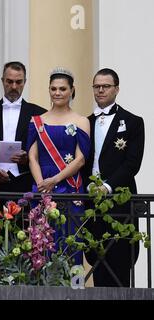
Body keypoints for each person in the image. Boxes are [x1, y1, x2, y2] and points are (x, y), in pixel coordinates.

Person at [83, 68, 144, 287]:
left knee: (119, 261)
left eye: (106, 86)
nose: (100, 90)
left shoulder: (134, 122)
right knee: (96, 258)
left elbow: (132, 164)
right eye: (97, 86)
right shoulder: (85, 122)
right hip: (91, 202)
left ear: (116, 89)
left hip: (119, 201)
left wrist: (107, 187)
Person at [27, 67, 90, 264]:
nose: (57, 93)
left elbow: (80, 159)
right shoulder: (37, 121)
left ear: (72, 90)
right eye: (53, 89)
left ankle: (75, 289)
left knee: (71, 242)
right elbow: (32, 157)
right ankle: (41, 291)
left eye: (62, 89)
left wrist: (54, 180)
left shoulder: (81, 121)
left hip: (69, 186)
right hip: (42, 186)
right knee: (41, 243)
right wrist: (41, 186)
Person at [0, 61, 46, 193]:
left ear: (25, 82)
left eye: (19, 82)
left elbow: (46, 150)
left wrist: (28, 158)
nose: (14, 86)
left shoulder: (39, 114)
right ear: (2, 81)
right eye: (9, 81)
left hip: (25, 181)